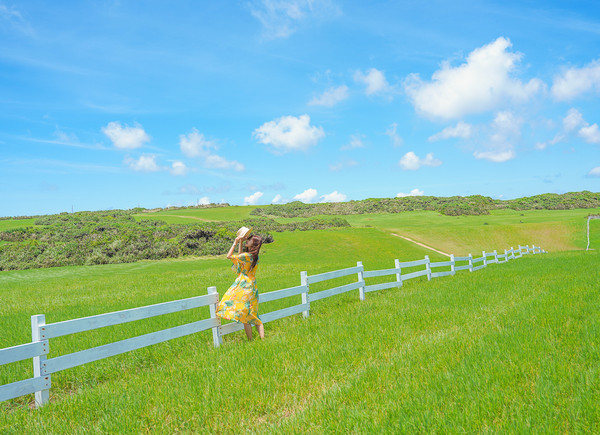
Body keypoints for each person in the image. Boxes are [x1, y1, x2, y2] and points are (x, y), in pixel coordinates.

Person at [216, 232, 265, 340]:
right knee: (252, 313)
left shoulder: (246, 256)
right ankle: (262, 340)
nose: (248, 240)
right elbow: (240, 256)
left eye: (249, 240)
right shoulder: (254, 257)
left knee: (240, 311)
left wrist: (236, 241)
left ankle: (250, 341)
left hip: (244, 285)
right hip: (252, 286)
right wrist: (241, 242)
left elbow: (229, 256)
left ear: (254, 244)